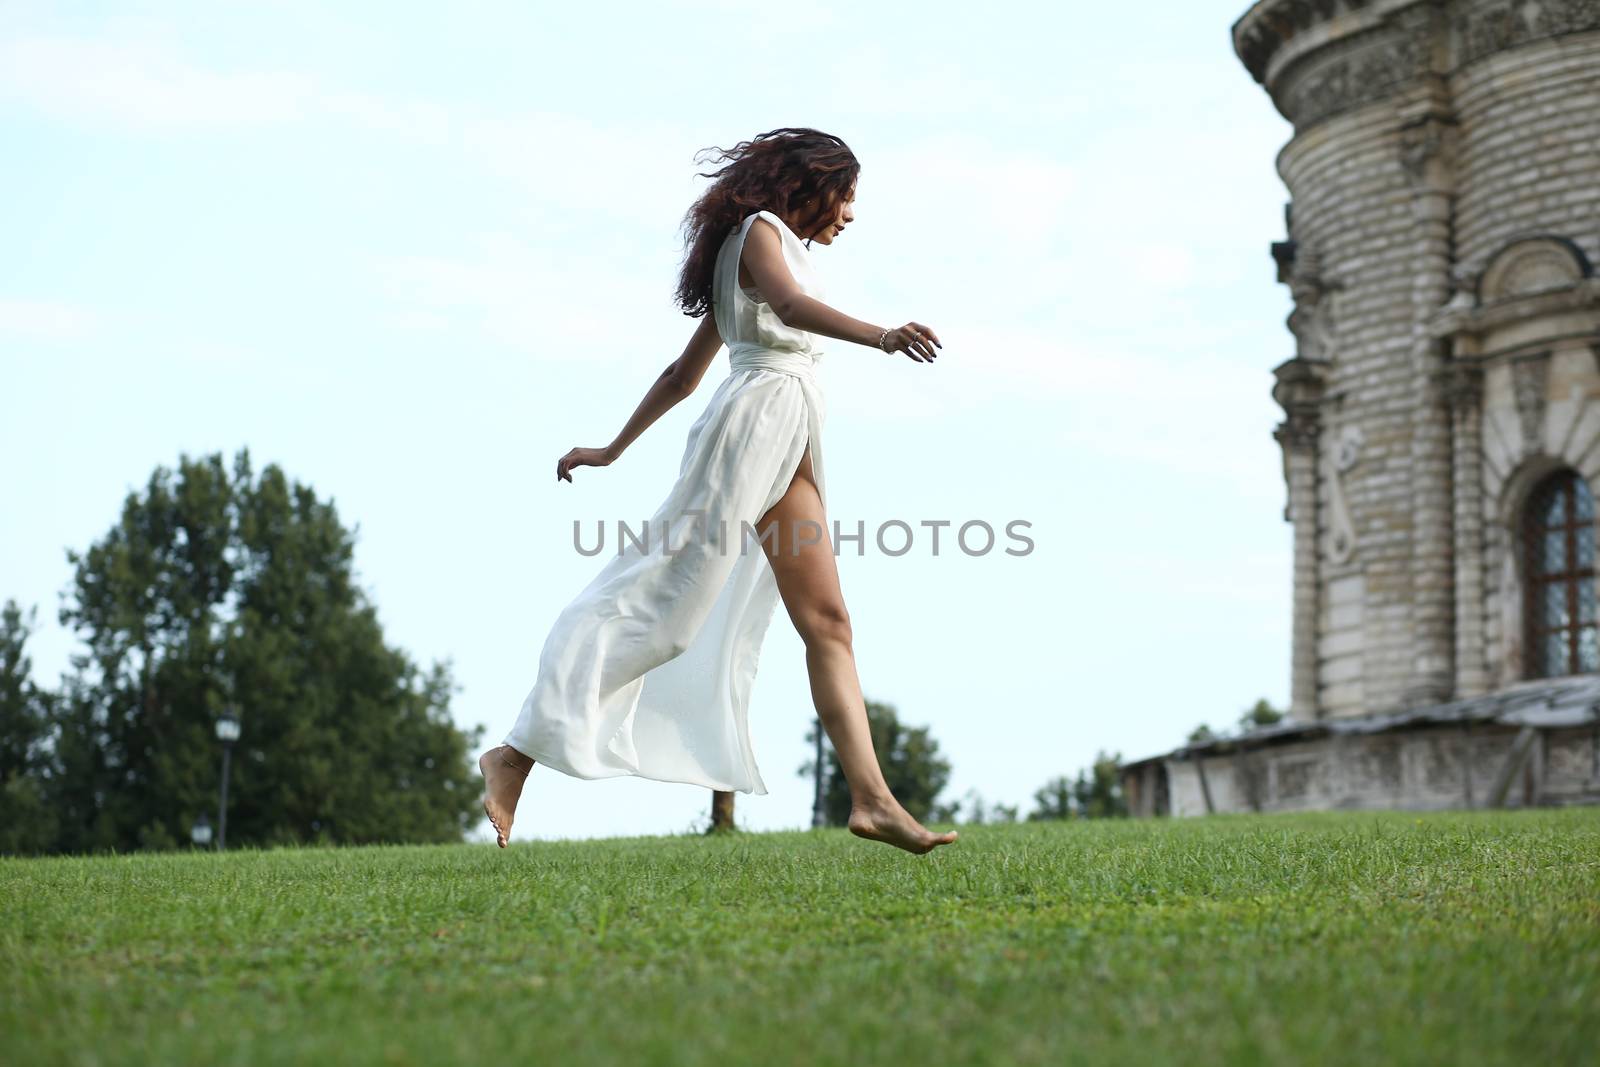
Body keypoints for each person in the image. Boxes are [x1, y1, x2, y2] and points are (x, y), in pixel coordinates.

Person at [479, 126, 956, 855]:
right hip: (751, 429)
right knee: (667, 610)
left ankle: (873, 799)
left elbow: (681, 374)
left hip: (789, 436)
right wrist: (883, 335)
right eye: (846, 197)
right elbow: (789, 312)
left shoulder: (762, 250)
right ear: (808, 184)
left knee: (828, 620)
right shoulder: (759, 232)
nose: (850, 215)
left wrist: (611, 448)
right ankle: (515, 752)